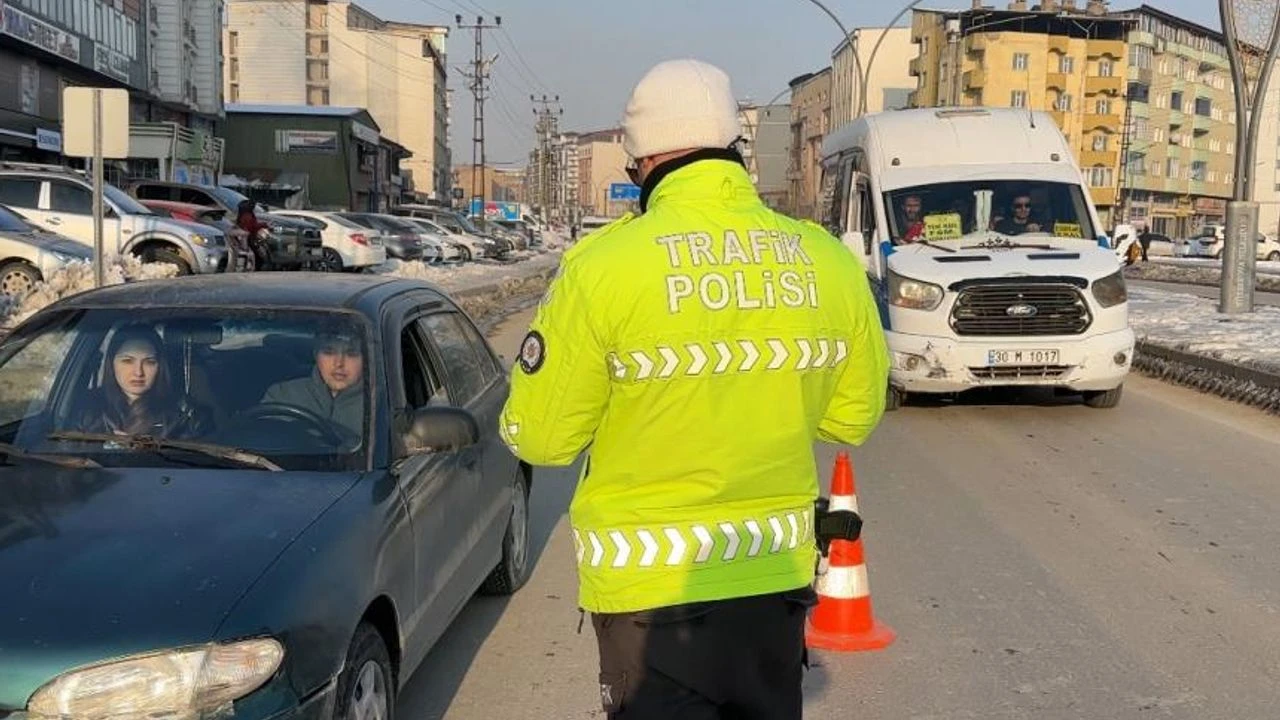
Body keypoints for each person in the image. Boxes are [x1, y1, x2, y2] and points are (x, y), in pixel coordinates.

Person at [498, 59, 889, 719]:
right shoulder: (825, 259)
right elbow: (852, 419)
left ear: (644, 162)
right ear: (732, 150)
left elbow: (543, 438)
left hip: (650, 602)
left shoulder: (603, 268)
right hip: (776, 586)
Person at [77, 324, 212, 439]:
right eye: (127, 361)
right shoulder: (86, 408)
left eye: (149, 362)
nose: (138, 372)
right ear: (111, 364)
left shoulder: (186, 415)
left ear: (159, 366)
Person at [259, 330, 365, 440]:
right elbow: (262, 442)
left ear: (367, 359)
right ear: (316, 355)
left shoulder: (379, 404)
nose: (339, 363)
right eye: (328, 352)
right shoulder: (282, 394)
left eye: (352, 354)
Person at [235, 199, 272, 269]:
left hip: (250, 237)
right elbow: (252, 227)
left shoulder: (246, 214)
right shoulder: (247, 215)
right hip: (248, 238)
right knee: (256, 253)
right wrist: (264, 225)